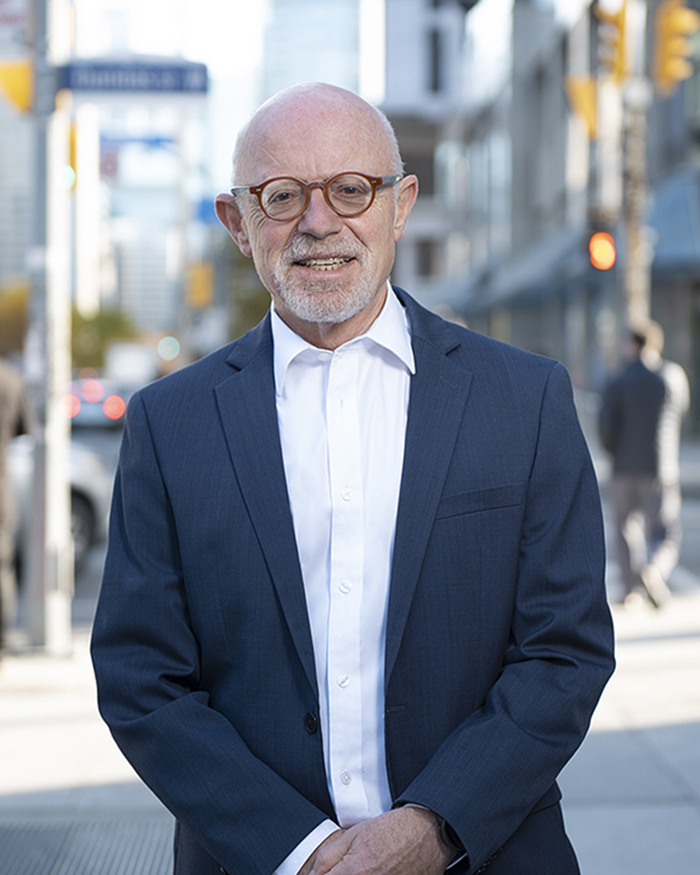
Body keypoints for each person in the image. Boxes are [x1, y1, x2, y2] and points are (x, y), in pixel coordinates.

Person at [91, 83, 615, 875]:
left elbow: (564, 651)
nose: (318, 222)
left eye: (351, 189)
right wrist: (299, 853)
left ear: (400, 204)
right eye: (281, 196)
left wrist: (435, 827)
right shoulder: (170, 424)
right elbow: (141, 677)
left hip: (489, 855)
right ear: (238, 224)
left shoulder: (526, 399)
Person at [600, 321, 690, 608]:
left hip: (623, 466)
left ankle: (630, 590)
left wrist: (614, 452)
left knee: (625, 529)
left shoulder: (618, 380)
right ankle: (653, 568)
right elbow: (681, 413)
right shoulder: (673, 376)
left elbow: (606, 428)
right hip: (660, 466)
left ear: (632, 346)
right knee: (664, 530)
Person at [0, 355, 30, 651]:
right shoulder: (10, 377)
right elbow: (24, 427)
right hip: (1, 487)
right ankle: (3, 633)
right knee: (2, 565)